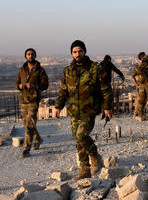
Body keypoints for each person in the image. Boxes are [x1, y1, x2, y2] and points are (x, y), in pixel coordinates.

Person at [54, 40, 112, 181]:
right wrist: (58, 106)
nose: (77, 54)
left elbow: (106, 90)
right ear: (72, 53)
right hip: (74, 110)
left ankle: (94, 154)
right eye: (74, 52)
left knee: (81, 136)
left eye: (80, 51)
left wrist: (107, 107)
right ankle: (84, 168)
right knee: (78, 141)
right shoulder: (68, 71)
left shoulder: (95, 68)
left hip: (89, 110)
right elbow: (63, 91)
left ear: (84, 51)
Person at [15, 48, 49, 158]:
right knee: (27, 124)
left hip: (33, 101)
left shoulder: (40, 70)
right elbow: (16, 84)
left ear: (35, 56)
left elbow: (45, 85)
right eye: (28, 54)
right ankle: (38, 139)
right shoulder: (22, 70)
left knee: (29, 124)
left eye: (32, 54)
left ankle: (26, 148)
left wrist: (34, 85)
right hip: (23, 100)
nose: (30, 56)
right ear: (26, 56)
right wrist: (19, 86)